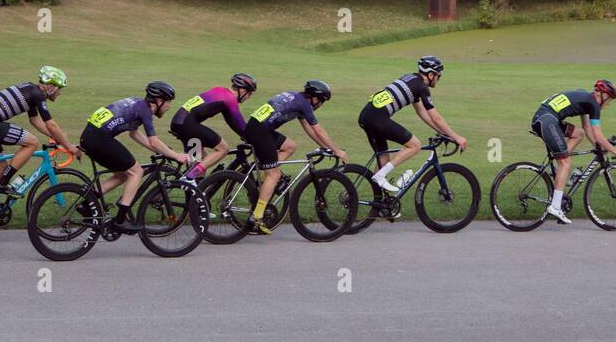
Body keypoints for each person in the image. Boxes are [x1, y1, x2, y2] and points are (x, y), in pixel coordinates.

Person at [78, 82, 196, 234]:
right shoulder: (145, 111)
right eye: (168, 102)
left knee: (123, 174)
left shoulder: (137, 103)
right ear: (159, 101)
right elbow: (153, 141)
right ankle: (120, 220)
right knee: (136, 172)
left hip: (89, 137)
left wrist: (165, 151)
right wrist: (176, 156)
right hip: (99, 139)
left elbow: (134, 133)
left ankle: (87, 203)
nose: (169, 106)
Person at [241, 80, 345, 234]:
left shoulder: (294, 96)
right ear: (316, 98)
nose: (320, 105)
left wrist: (324, 147)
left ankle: (266, 177)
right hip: (260, 132)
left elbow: (308, 128)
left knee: (290, 146)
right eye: (322, 101)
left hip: (255, 126)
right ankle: (257, 216)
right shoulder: (304, 105)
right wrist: (337, 150)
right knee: (274, 174)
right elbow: (319, 130)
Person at [358, 56, 466, 195]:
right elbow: (436, 117)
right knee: (415, 145)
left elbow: (422, 113)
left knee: (383, 159)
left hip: (367, 116)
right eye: (438, 76)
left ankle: (379, 203)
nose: (439, 79)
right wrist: (456, 137)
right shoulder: (421, 87)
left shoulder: (410, 79)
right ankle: (379, 176)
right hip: (377, 119)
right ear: (431, 74)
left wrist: (444, 133)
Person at [531, 80, 616, 225]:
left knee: (579, 133)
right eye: (609, 100)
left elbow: (587, 128)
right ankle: (555, 206)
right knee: (565, 162)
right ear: (602, 95)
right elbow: (599, 135)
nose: (608, 104)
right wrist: (615, 151)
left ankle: (558, 168)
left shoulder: (586, 98)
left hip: (546, 118)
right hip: (547, 120)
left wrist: (597, 146)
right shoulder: (593, 104)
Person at [0, 67, 78, 190]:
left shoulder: (30, 89)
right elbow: (51, 125)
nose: (59, 93)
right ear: (50, 86)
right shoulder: (37, 94)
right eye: (59, 88)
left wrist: (57, 138)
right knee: (32, 143)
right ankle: (4, 183)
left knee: (0, 169)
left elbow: (35, 120)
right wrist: (69, 146)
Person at [166, 72, 257, 174]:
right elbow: (240, 125)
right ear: (243, 90)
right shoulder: (230, 99)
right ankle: (191, 176)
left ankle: (191, 184)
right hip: (187, 125)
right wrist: (254, 138)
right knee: (223, 149)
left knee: (201, 161)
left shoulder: (220, 91)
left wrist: (246, 135)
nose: (249, 97)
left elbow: (231, 122)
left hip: (178, 122)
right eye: (249, 94)